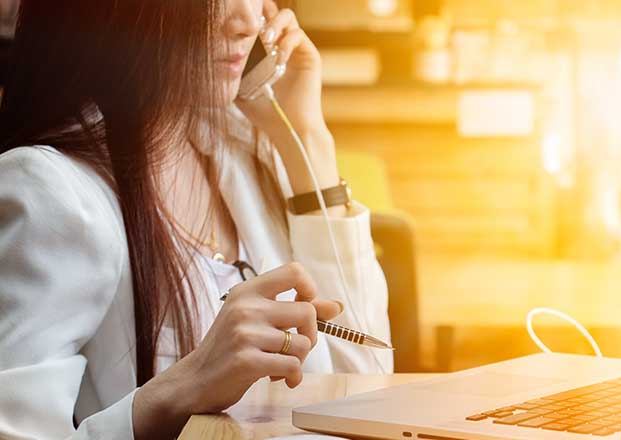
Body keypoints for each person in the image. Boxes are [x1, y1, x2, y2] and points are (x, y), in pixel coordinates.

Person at [0, 0, 393, 439]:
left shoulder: (243, 151)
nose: (248, 22)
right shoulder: (50, 191)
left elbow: (369, 375)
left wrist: (306, 135)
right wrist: (183, 388)